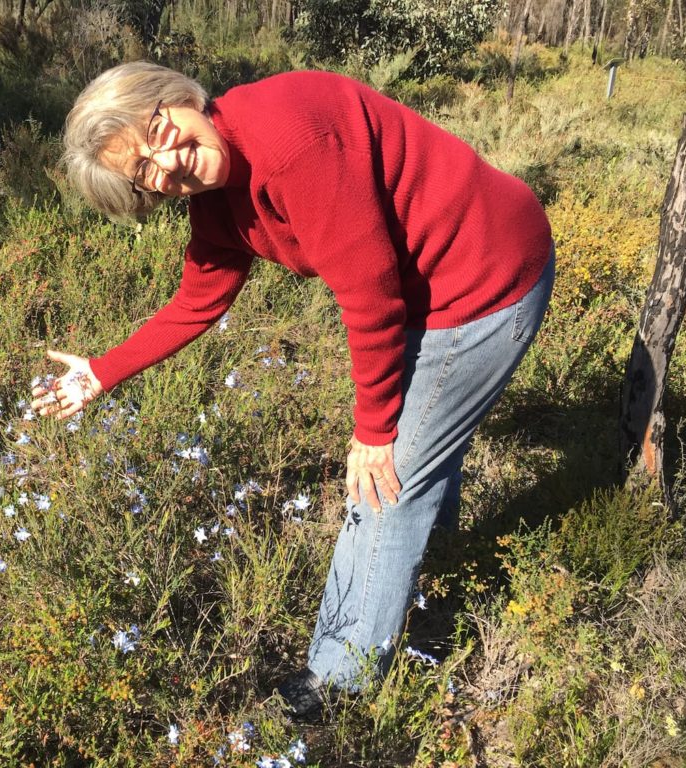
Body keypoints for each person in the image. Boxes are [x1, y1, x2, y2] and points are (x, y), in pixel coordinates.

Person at [33, 61, 555, 720]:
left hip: (485, 279)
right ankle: (433, 599)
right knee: (421, 463)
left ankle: (339, 683)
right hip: (429, 287)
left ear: (176, 97)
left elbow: (370, 294)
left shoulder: (285, 141)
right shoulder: (219, 195)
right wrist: (103, 370)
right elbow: (200, 298)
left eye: (157, 133)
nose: (167, 164)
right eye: (145, 176)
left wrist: (372, 432)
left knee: (387, 482)